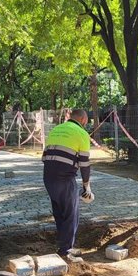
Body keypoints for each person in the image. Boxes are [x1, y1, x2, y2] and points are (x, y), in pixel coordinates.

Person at [42, 109, 94, 256]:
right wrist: (86, 187)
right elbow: (84, 164)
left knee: (59, 212)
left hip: (48, 177)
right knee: (71, 214)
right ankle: (66, 251)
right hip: (65, 179)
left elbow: (44, 157)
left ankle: (63, 245)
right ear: (83, 119)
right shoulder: (82, 133)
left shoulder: (56, 130)